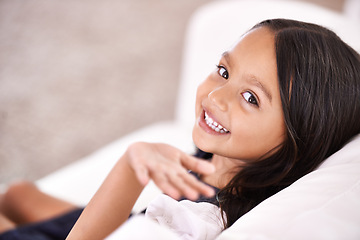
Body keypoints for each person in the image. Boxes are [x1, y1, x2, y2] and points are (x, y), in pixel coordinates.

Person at [1, 18, 360, 240]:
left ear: (302, 136)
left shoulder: (195, 223)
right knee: (17, 193)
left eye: (250, 97)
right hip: (126, 218)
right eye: (223, 71)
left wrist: (130, 167)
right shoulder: (224, 158)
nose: (217, 97)